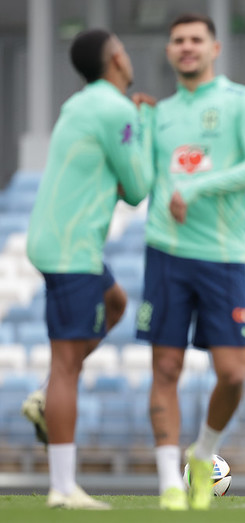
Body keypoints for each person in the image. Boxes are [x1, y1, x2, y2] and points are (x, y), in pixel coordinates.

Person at [134, 13, 245, 511]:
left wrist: (193, 187)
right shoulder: (157, 113)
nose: (187, 47)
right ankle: (169, 485)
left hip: (223, 257)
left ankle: (203, 455)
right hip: (166, 252)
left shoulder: (242, 102)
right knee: (166, 367)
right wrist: (132, 122)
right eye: (178, 40)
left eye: (196, 39)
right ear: (170, 51)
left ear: (215, 48)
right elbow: (137, 181)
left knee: (234, 374)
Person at [24, 28, 153, 509]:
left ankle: (47, 394)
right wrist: (142, 125)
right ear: (116, 56)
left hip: (57, 239)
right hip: (71, 248)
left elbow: (108, 177)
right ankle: (62, 487)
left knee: (115, 303)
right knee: (65, 365)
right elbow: (137, 188)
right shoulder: (117, 109)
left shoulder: (80, 105)